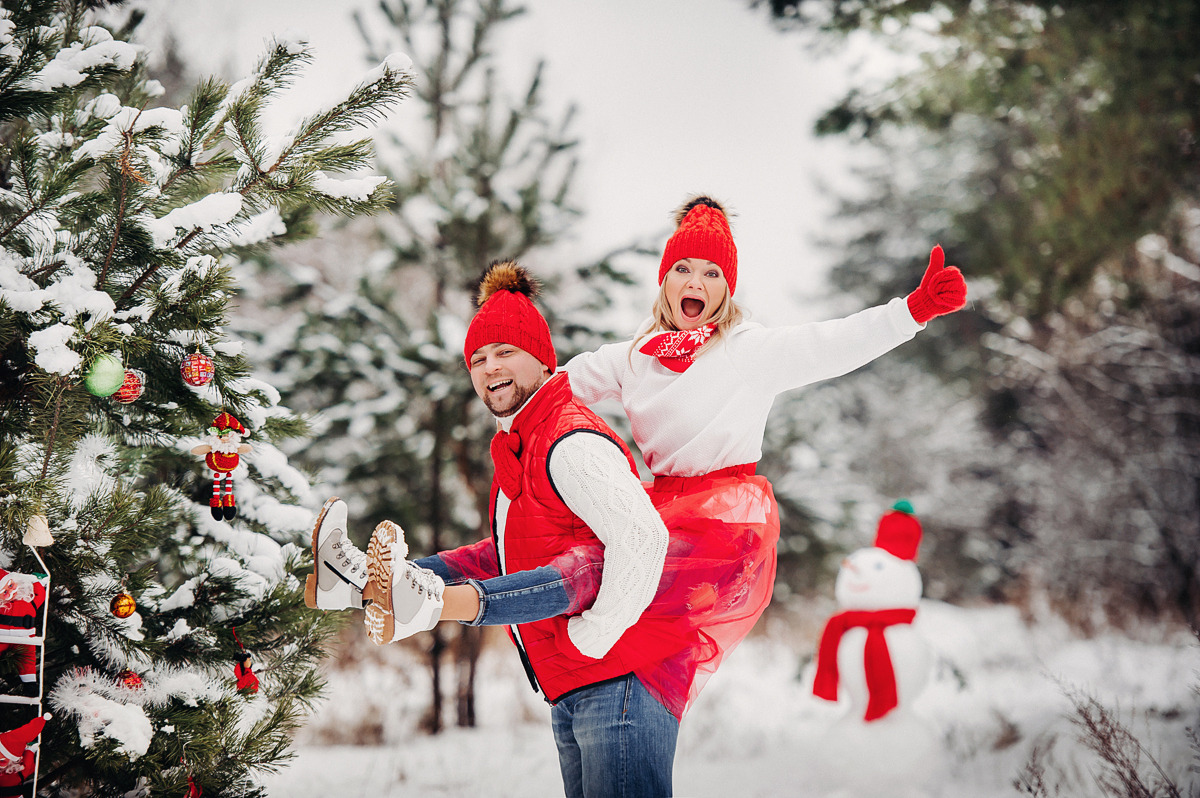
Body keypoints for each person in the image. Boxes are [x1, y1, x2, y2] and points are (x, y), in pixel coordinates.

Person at [557, 194, 967, 716]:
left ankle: (619, 693)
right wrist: (503, 372)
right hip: (661, 511)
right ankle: (597, 691)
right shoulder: (635, 357)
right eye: (682, 268)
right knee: (610, 589)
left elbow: (830, 344)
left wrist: (911, 311)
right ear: (664, 279)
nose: (694, 283)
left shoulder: (745, 350)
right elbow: (558, 386)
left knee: (622, 603)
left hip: (719, 522)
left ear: (726, 288)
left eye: (710, 273)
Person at [306, 260, 681, 798]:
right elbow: (504, 553)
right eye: (478, 358)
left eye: (505, 352)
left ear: (542, 359)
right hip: (573, 685)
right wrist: (399, 573)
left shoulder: (568, 440)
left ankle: (423, 600)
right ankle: (359, 581)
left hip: (617, 682)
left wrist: (598, 636)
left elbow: (643, 538)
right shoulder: (520, 449)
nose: (489, 368)